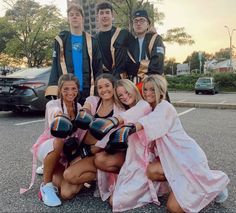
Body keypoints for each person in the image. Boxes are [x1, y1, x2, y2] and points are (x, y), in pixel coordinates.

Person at [108, 75, 230, 212]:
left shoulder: (165, 107)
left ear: (161, 90)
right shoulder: (149, 108)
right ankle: (182, 185)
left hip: (185, 157)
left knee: (174, 208)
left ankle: (216, 183)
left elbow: (150, 122)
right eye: (146, 90)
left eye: (152, 90)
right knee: (151, 171)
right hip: (170, 159)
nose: (148, 93)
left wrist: (129, 129)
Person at [90, 79, 168, 212]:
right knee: (112, 197)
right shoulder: (124, 110)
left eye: (127, 92)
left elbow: (131, 116)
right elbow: (109, 135)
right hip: (131, 161)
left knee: (115, 201)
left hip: (147, 161)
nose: (124, 97)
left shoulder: (144, 105)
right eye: (120, 95)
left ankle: (154, 186)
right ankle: (132, 182)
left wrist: (113, 121)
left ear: (134, 89)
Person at [20, 74, 85, 207]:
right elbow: (54, 113)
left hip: (68, 152)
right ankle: (46, 186)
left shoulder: (78, 106)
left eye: (74, 89)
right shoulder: (53, 104)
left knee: (64, 189)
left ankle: (52, 171)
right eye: (66, 89)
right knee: (59, 140)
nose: (70, 92)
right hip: (51, 146)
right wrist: (59, 115)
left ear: (78, 89)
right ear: (60, 90)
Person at [57, 73, 124, 200]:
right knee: (66, 193)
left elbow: (109, 139)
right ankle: (94, 177)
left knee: (70, 175)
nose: (104, 90)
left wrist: (83, 154)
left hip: (99, 153)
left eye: (107, 86)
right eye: (100, 87)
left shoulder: (120, 109)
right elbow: (86, 108)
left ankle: (103, 176)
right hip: (83, 149)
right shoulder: (93, 101)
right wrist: (84, 113)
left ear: (114, 86)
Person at [45, 3, 103, 104]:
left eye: (77, 14)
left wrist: (99, 88)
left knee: (87, 118)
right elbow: (55, 65)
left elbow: (98, 67)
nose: (74, 17)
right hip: (68, 91)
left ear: (82, 18)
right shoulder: (61, 40)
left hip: (88, 90)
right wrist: (53, 88)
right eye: (71, 15)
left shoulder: (92, 41)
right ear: (68, 19)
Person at [125, 9, 170, 101]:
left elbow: (157, 64)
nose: (138, 23)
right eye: (135, 21)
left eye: (142, 20)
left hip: (153, 84)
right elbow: (128, 67)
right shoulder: (130, 43)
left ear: (148, 24)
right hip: (135, 87)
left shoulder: (156, 39)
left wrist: (138, 67)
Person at [95, 2, 135, 79]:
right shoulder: (94, 40)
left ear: (112, 15)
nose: (105, 16)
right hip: (103, 80)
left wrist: (148, 33)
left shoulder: (124, 34)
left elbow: (137, 50)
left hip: (121, 79)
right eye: (101, 13)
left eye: (107, 12)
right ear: (97, 17)